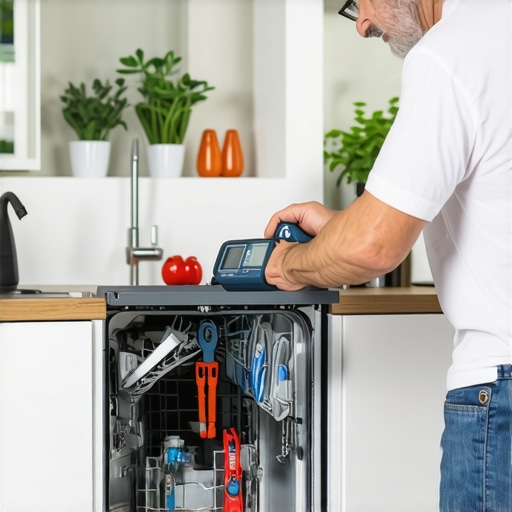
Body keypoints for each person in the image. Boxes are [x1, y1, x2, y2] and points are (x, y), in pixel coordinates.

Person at [264, 0, 512, 510]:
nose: (361, 25)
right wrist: (338, 230)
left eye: (358, 2)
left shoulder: (449, 53)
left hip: (501, 390)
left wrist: (288, 263)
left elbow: (371, 246)